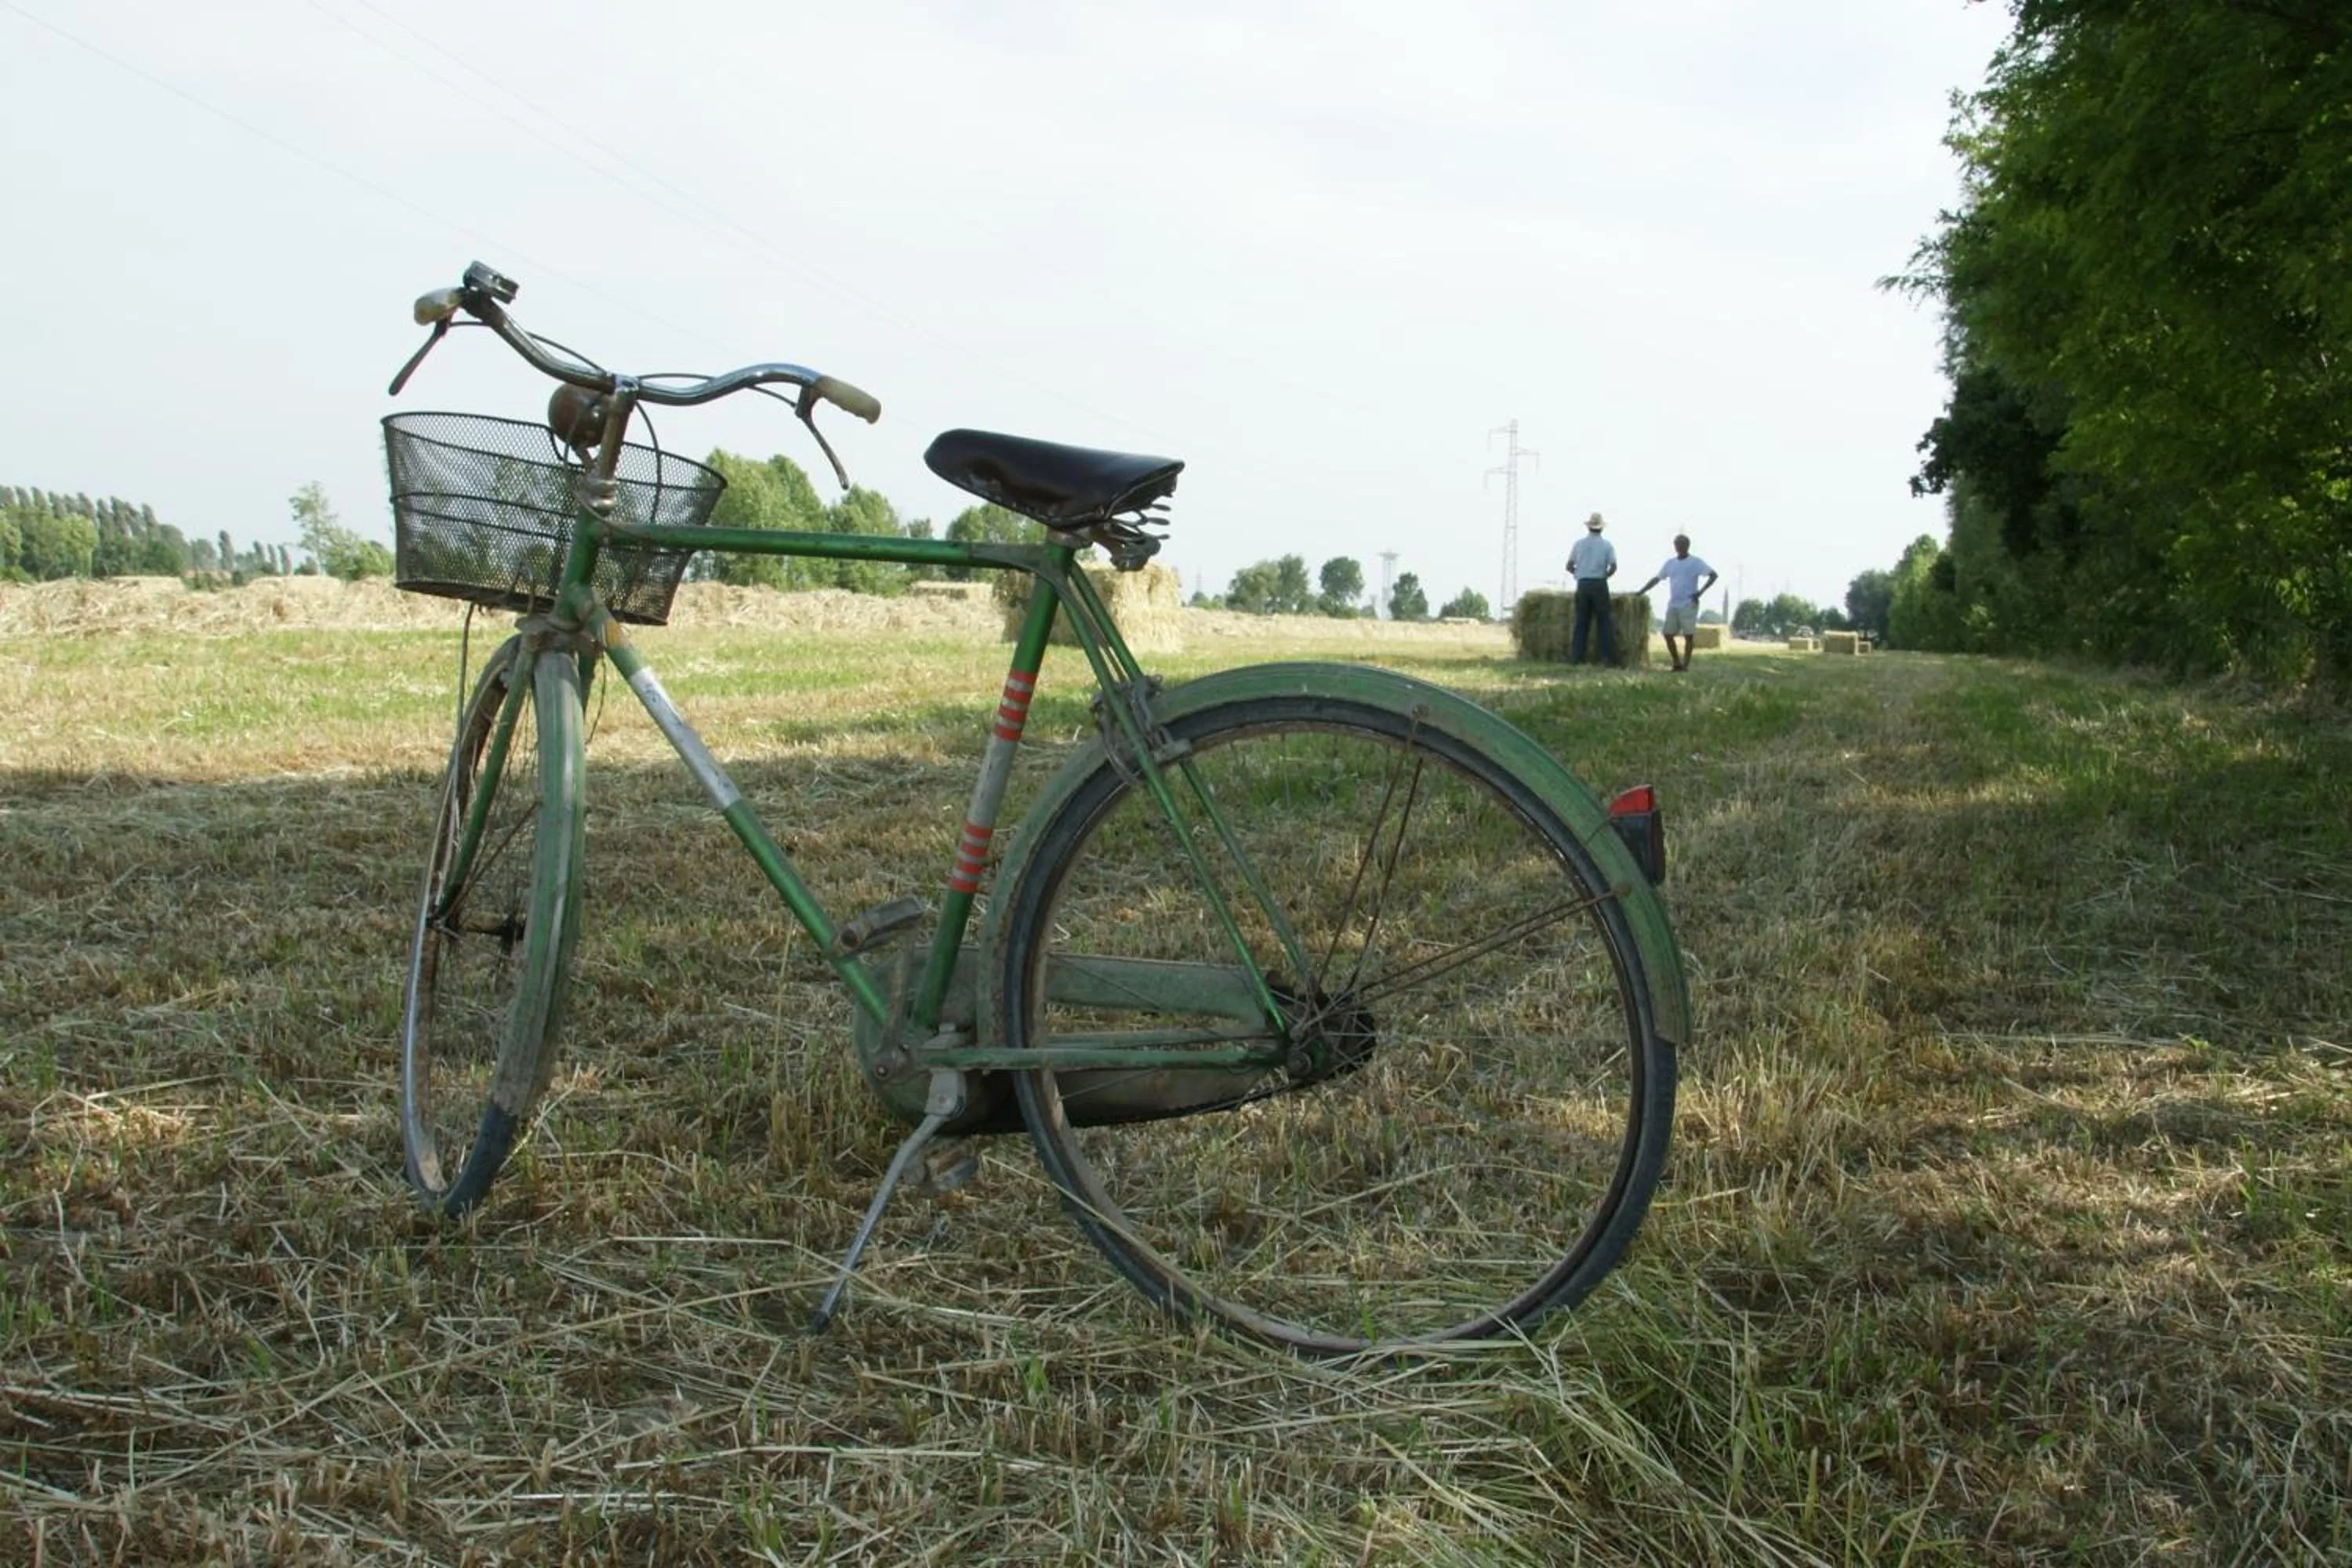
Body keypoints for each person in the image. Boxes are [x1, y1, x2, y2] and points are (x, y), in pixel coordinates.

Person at [1635, 534, 1719, 672]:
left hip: (1689, 603)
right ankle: (1676, 662)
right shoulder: (1670, 563)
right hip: (1673, 604)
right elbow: (1657, 579)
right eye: (1677, 544)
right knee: (1667, 634)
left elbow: (1713, 575)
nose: (1679, 547)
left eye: (1682, 544)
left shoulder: (1695, 562)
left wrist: (1700, 592)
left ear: (1687, 546)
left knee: (1688, 636)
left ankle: (1685, 665)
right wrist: (1641, 592)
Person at [1565, 511, 1617, 665]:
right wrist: (1605, 576)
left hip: (1582, 584)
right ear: (1601, 529)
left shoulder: (1579, 544)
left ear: (1589, 528)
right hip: (1599, 584)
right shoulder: (1607, 545)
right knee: (1603, 622)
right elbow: (1613, 566)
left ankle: (1576, 657)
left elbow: (1568, 566)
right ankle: (1605, 658)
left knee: (1581, 621)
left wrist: (1579, 574)